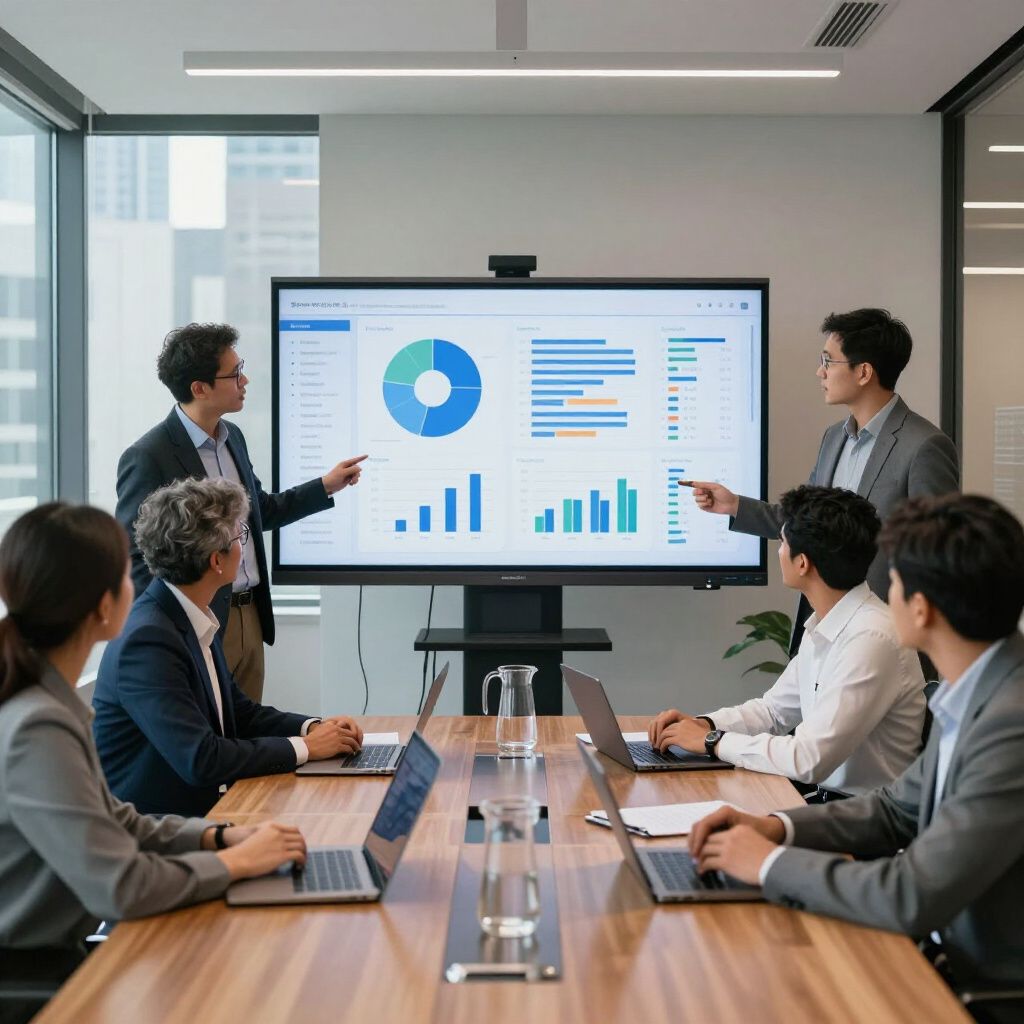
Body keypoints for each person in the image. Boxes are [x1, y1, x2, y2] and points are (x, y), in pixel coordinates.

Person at [688, 494, 1024, 1001]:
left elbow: (910, 894)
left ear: (920, 607)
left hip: (974, 987)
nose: (882, 593)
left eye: (892, 581)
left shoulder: (1010, 725)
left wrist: (765, 863)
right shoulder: (977, 690)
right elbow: (895, 811)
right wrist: (774, 827)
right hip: (938, 951)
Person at [0, 502, 310, 956]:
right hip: (37, 976)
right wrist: (235, 863)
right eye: (127, 573)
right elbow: (123, 887)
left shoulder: (45, 705)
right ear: (104, 606)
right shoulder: (37, 728)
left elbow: (117, 819)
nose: (138, 584)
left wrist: (216, 837)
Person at [115, 322, 367, 702]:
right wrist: (170, 627)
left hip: (249, 614)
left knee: (246, 733)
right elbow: (136, 556)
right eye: (234, 374)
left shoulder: (233, 437)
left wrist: (326, 486)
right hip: (197, 620)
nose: (245, 380)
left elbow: (259, 510)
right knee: (210, 742)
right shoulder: (149, 456)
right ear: (199, 388)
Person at [681, 308, 959, 650]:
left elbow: (937, 557)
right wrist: (735, 505)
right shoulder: (834, 438)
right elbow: (805, 523)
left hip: (886, 636)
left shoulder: (925, 446)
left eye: (829, 361)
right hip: (823, 626)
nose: (820, 371)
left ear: (864, 372)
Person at [95, 478, 363, 817]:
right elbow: (201, 759)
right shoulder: (148, 641)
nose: (244, 547)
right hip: (160, 834)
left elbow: (241, 713)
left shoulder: (187, 614)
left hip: (200, 812)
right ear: (215, 561)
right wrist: (306, 748)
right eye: (240, 537)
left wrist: (313, 727)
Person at [648, 485, 925, 796]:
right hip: (829, 805)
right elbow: (773, 713)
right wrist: (706, 725)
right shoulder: (828, 622)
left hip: (866, 822)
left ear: (802, 562)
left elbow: (810, 759)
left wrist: (713, 743)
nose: (778, 551)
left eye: (781, 543)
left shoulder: (871, 637)